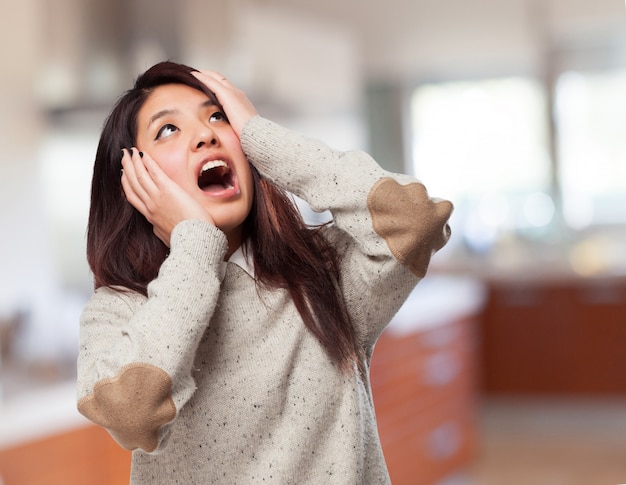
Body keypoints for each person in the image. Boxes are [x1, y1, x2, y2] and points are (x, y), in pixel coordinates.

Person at [77, 60, 453, 484]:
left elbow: (416, 220)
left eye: (218, 115)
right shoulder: (117, 310)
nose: (206, 134)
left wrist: (260, 134)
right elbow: (131, 413)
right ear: (132, 179)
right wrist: (194, 243)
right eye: (168, 129)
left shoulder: (324, 273)